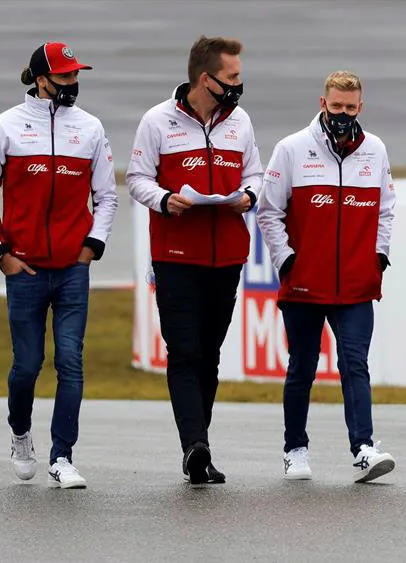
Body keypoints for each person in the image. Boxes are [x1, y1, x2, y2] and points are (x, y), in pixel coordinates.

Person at [0, 42, 117, 489]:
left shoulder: (90, 127)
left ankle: (62, 456)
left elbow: (107, 195)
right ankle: (20, 433)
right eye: (66, 77)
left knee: (71, 362)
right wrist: (1, 254)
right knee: (28, 365)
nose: (73, 84)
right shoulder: (7, 125)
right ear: (41, 80)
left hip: (73, 268)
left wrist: (92, 245)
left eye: (77, 76)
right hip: (26, 270)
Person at [127, 36, 262, 485]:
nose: (239, 84)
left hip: (227, 256)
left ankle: (198, 443)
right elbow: (137, 179)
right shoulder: (157, 120)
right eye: (232, 77)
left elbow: (255, 173)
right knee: (184, 352)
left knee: (209, 355)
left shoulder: (239, 120)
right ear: (206, 80)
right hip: (175, 256)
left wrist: (249, 196)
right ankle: (195, 447)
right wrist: (165, 200)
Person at [257, 71, 397, 483]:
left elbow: (386, 210)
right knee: (302, 366)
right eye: (336, 106)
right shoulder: (291, 148)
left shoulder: (375, 150)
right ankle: (294, 449)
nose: (342, 114)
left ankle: (364, 449)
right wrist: (286, 260)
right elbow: (268, 211)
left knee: (356, 363)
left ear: (361, 107)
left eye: (350, 108)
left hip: (356, 283)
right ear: (322, 103)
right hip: (304, 283)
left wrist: (379, 257)